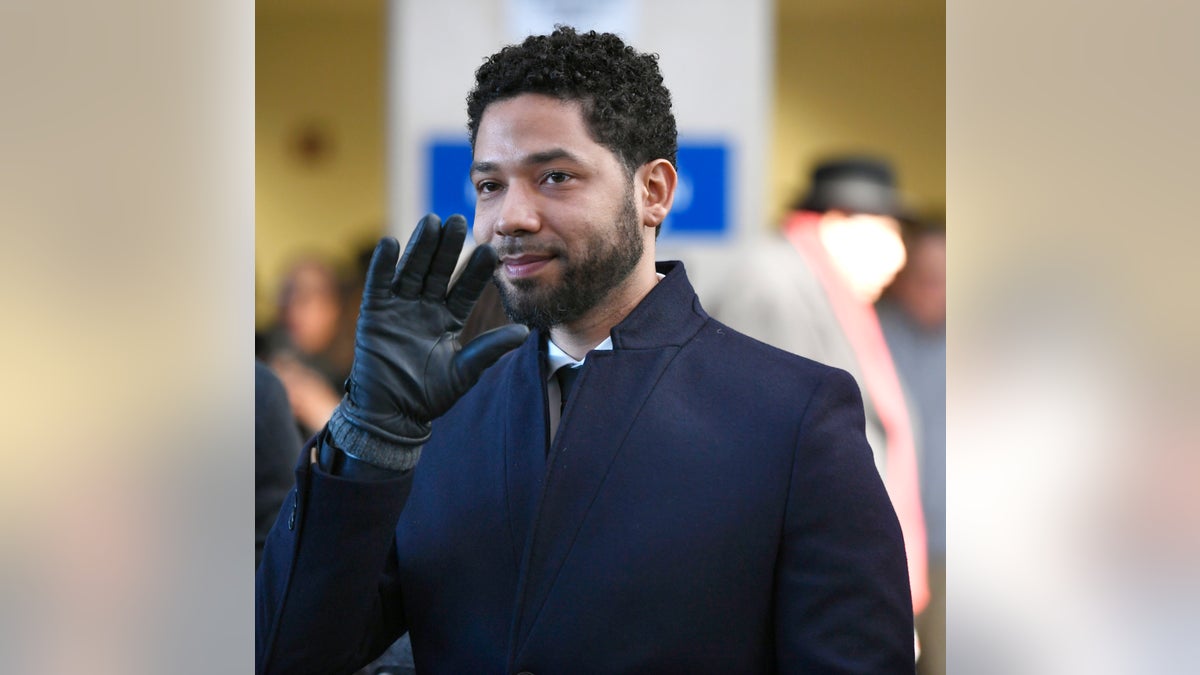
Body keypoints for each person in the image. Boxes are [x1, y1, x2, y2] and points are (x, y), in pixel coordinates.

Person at [257, 27, 913, 674]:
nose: (511, 216)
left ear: (652, 191)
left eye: (555, 176)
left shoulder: (793, 415)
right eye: (490, 185)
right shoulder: (441, 415)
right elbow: (290, 652)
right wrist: (369, 433)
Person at [699, 156, 931, 624]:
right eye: (889, 233)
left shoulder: (813, 286)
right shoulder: (773, 283)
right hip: (811, 590)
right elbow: (759, 456)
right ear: (839, 222)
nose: (900, 256)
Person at [876, 217, 947, 675]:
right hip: (883, 544)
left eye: (941, 281)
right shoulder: (866, 331)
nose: (930, 290)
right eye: (921, 278)